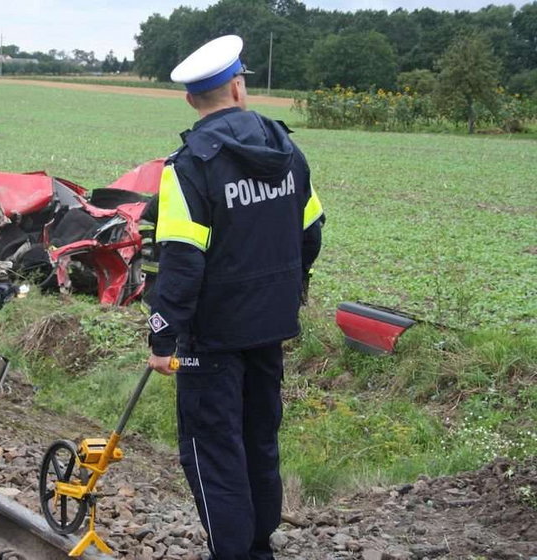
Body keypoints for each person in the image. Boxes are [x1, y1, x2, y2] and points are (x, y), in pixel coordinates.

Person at [146, 36, 324, 560]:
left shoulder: (188, 166)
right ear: (239, 87)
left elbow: (182, 261)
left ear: (190, 100)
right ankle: (258, 547)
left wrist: (163, 335)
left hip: (213, 337)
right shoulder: (287, 150)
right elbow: (310, 232)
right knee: (258, 442)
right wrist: (289, 289)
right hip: (270, 325)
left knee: (212, 451)